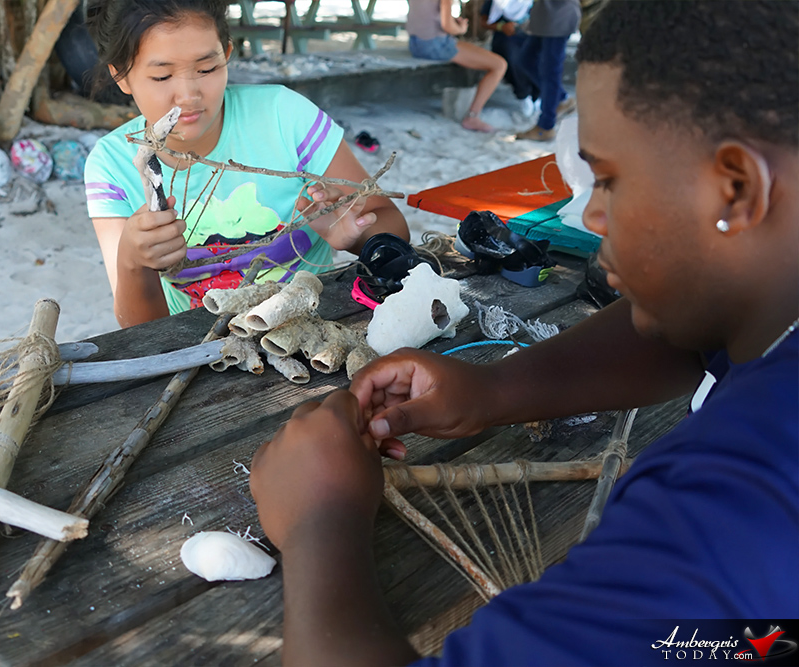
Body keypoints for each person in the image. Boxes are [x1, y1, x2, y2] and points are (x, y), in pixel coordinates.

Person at [249, 2, 799, 665]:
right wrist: (496, 388)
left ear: (736, 188)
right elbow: (699, 327)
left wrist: (318, 525)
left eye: (610, 181)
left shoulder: (738, 506)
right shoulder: (769, 298)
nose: (590, 216)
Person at [83, 0, 409, 327]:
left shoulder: (285, 117)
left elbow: (392, 224)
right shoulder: (112, 165)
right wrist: (131, 260)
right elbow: (139, 329)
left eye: (207, 68)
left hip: (314, 326)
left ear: (226, 53)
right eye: (162, 75)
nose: (188, 95)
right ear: (121, 75)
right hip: (205, 342)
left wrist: (356, 238)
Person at [406, 0, 507, 132]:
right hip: (435, 44)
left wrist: (452, 21)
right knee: (499, 65)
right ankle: (472, 117)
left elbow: (426, 13)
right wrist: (461, 28)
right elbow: (448, 26)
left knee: (477, 53)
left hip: (415, 43)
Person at [514, 0, 580, 141]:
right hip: (543, 17)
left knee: (550, 71)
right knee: (526, 60)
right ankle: (562, 99)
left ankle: (546, 127)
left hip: (558, 17)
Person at [480, 0, 539, 113]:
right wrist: (501, 26)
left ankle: (537, 97)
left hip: (531, 37)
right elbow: (484, 21)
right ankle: (523, 95)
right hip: (507, 38)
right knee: (511, 56)